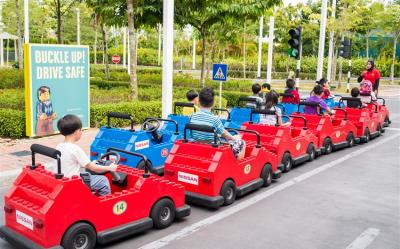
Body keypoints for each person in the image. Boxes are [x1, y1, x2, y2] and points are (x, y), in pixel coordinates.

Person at [56, 114, 117, 196]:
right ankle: (104, 205)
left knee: (87, 175)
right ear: (77, 132)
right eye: (81, 130)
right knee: (103, 180)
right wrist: (110, 167)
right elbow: (93, 168)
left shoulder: (59, 146)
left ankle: (92, 196)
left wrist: (92, 162)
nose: (81, 132)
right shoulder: (75, 149)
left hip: (63, 180)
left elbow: (73, 162)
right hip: (74, 183)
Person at [190, 87, 246, 159]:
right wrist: (234, 138)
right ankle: (237, 167)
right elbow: (225, 134)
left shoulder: (192, 116)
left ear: (199, 101)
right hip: (212, 148)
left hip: (197, 145)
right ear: (213, 103)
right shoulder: (215, 119)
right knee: (241, 143)